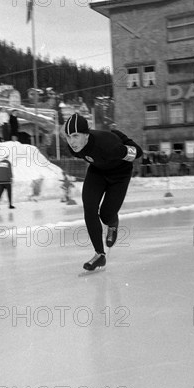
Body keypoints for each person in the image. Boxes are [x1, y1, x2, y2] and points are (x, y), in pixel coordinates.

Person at [63, 113, 142, 272]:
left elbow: (138, 152)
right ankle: (100, 255)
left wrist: (121, 137)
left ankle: (112, 223)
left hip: (120, 174)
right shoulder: (74, 149)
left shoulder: (109, 146)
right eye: (68, 136)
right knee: (89, 207)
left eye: (76, 136)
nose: (71, 141)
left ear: (86, 134)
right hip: (98, 171)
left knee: (105, 215)